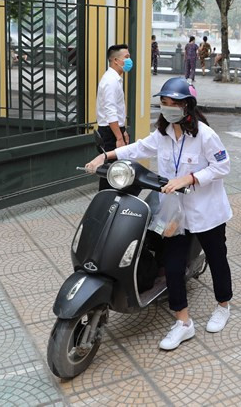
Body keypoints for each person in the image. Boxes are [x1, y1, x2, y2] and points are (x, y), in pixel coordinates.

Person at [85, 77, 233, 350]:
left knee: (217, 257)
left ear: (187, 106)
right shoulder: (162, 134)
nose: (168, 108)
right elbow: (138, 148)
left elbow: (222, 167)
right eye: (164, 103)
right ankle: (183, 323)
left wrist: (189, 178)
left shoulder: (205, 135)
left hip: (207, 211)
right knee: (173, 266)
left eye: (174, 103)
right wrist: (105, 157)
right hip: (175, 213)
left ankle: (223, 305)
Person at [96, 44, 132, 190]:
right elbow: (110, 112)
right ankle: (105, 203)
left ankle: (113, 201)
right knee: (111, 172)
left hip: (115, 129)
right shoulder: (110, 81)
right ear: (116, 60)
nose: (130, 60)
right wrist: (119, 137)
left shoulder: (115, 79)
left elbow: (117, 111)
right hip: (109, 133)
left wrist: (122, 130)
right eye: (127, 57)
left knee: (116, 171)